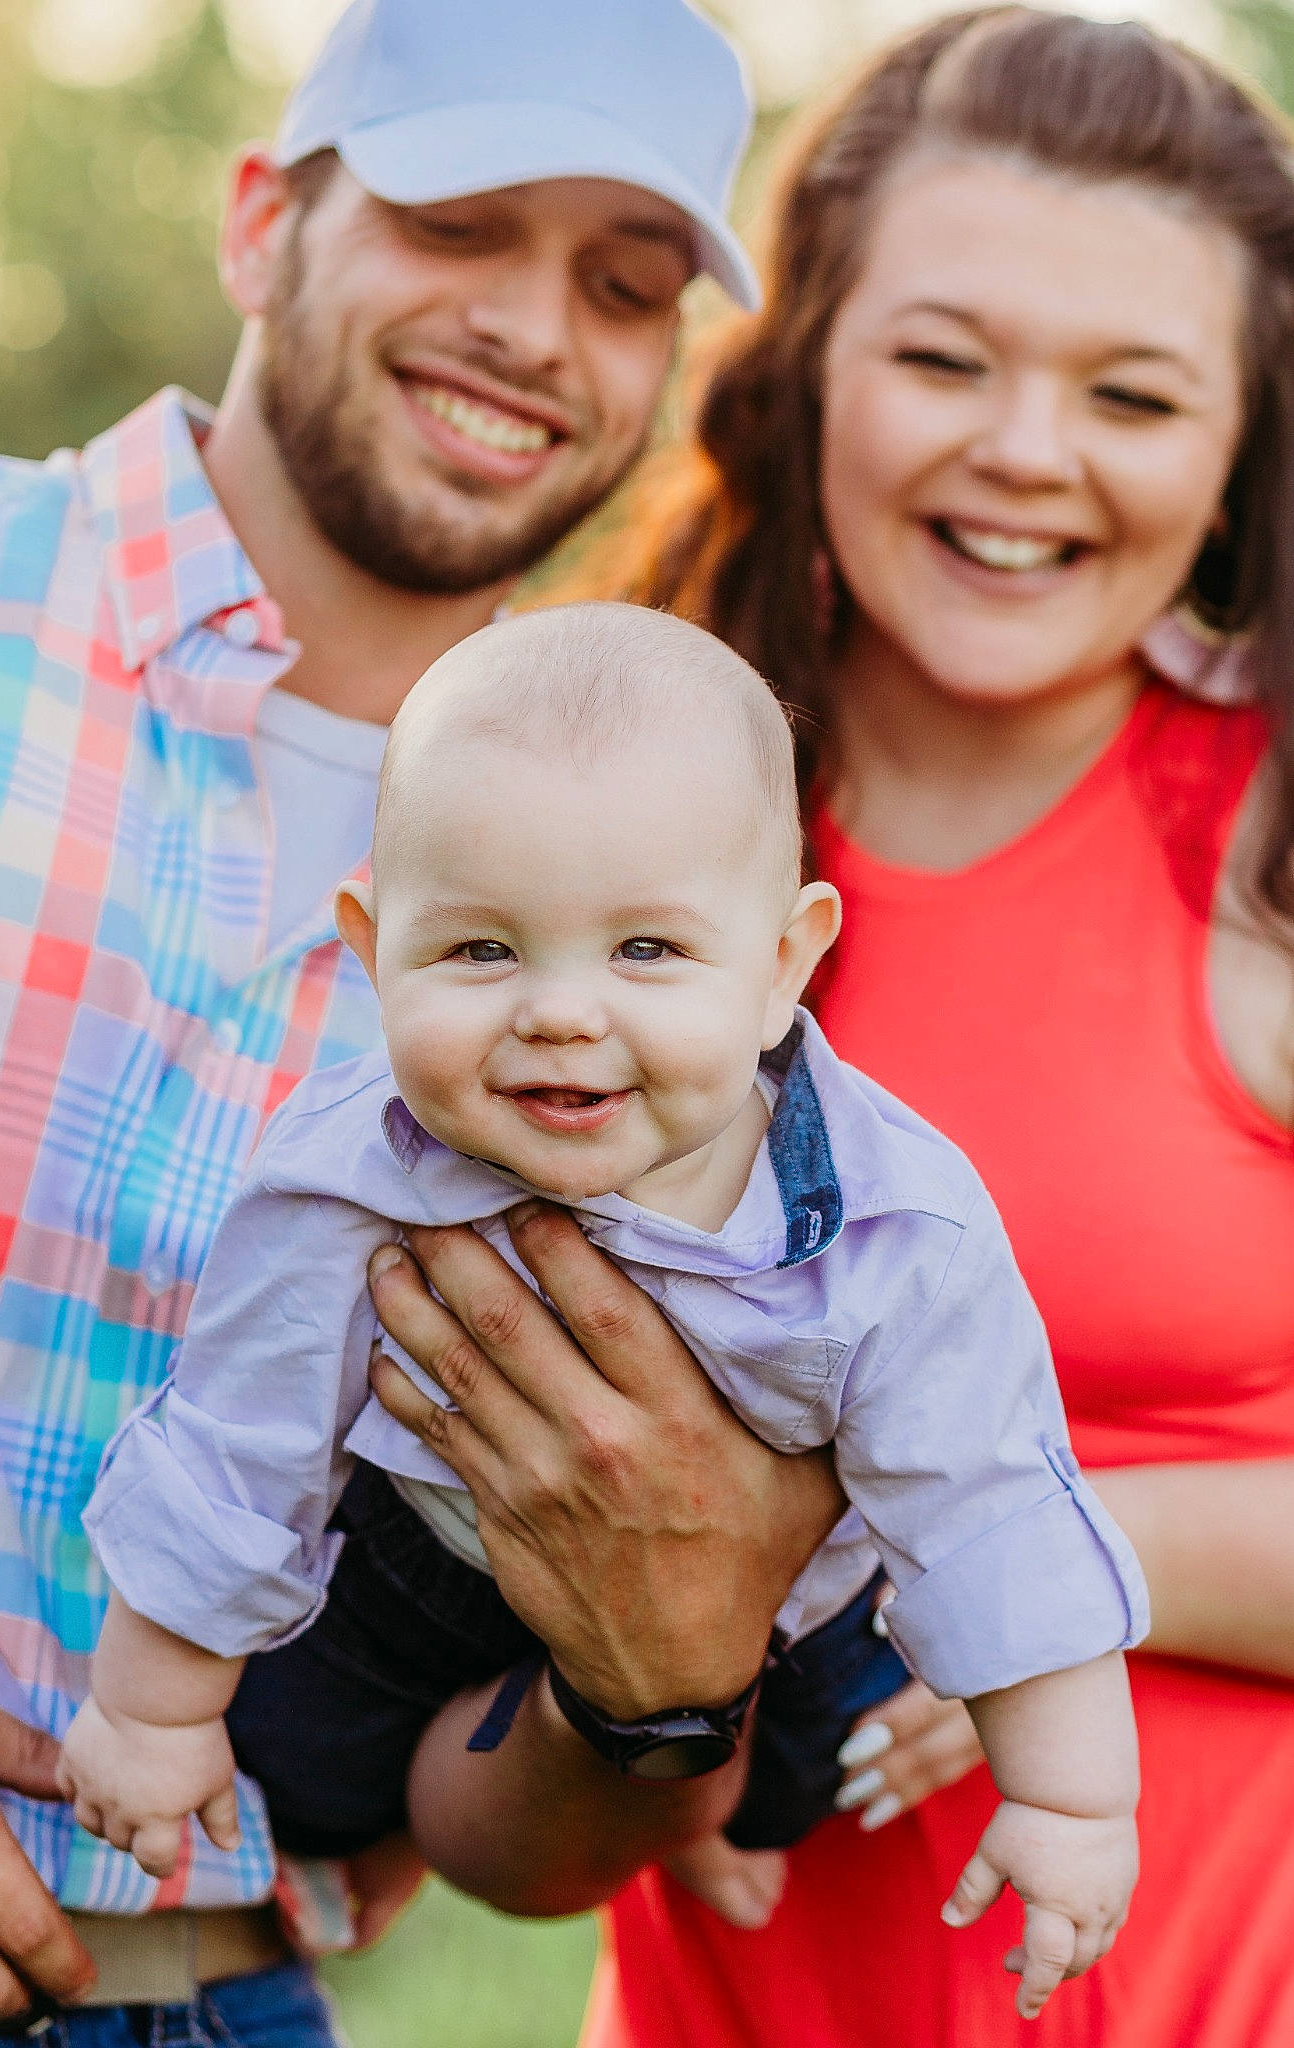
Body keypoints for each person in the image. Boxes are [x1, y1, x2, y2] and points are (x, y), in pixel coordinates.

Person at [0, 0, 803, 2035]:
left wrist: (653, 1687)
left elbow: (497, 1837)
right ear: (259, 226)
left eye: (621, 284)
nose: (530, 327)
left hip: (210, 1994)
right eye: (460, 224)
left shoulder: (682, 956)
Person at [55, 602, 1146, 2022]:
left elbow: (989, 1502)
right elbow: (237, 1436)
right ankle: (397, 1814)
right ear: (370, 946)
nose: (561, 1012)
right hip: (415, 1554)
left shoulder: (892, 1226)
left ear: (780, 964)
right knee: (296, 1774)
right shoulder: (344, 1173)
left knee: (812, 1772)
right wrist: (150, 1711)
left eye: (645, 951)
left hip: (782, 1612)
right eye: (480, 953)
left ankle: (719, 1829)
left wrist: (1071, 1804)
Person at [536, 9, 1293, 2046]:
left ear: (1238, 446)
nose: (1023, 451)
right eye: (942, 360)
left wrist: (1030, 1546)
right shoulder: (589, 850)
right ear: (797, 380)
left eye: (1129, 392)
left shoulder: (1265, 846)